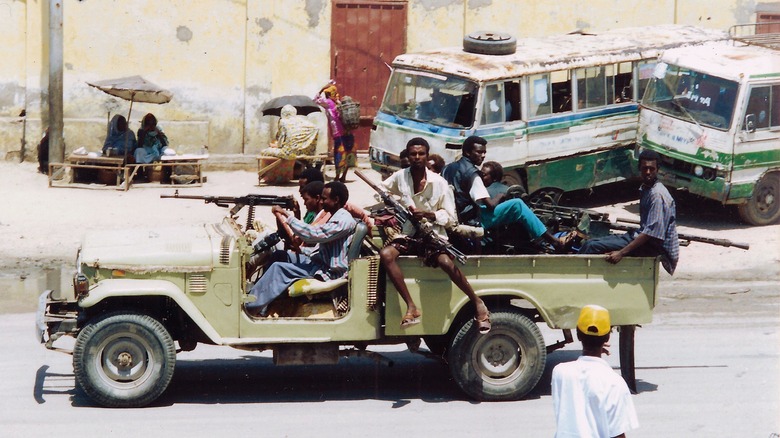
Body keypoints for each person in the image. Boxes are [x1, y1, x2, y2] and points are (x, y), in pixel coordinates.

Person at [379, 137, 491, 332]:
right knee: (386, 255)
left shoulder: (439, 183)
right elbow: (382, 190)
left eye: (421, 154)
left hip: (432, 234)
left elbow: (450, 219)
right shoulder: (400, 177)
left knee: (446, 263)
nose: (416, 158)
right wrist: (393, 206)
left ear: (426, 156)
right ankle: (411, 307)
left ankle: (477, 302)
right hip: (409, 234)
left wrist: (429, 214)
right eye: (413, 154)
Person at [245, 181, 356, 317]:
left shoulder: (343, 221)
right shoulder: (335, 216)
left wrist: (287, 216)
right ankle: (261, 302)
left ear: (336, 200)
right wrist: (303, 251)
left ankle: (249, 308)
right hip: (319, 261)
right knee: (280, 255)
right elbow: (326, 249)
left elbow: (313, 235)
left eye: (324, 198)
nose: (321, 201)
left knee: (278, 268)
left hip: (327, 271)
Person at [442, 136, 563, 253]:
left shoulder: (447, 168)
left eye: (484, 152)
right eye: (479, 152)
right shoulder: (473, 174)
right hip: (472, 221)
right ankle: (553, 241)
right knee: (518, 205)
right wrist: (500, 196)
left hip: (455, 216)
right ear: (467, 152)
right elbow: (491, 205)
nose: (483, 156)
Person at [578, 149, 679, 275]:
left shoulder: (657, 195)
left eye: (651, 169)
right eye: (644, 168)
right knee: (592, 241)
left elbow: (651, 233)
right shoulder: (648, 189)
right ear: (639, 169)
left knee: (592, 246)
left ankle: (578, 277)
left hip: (653, 246)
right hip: (643, 238)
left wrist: (621, 253)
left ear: (657, 169)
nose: (648, 172)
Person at [552, 304, 639, 437]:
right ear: (607, 337)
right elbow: (617, 433)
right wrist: (596, 347)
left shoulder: (560, 373)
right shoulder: (614, 382)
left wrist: (592, 346)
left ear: (578, 335)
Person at [316, 84, 354, 182]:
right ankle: (344, 176)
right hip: (349, 132)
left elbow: (315, 99)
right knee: (348, 155)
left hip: (338, 134)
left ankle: (337, 177)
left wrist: (321, 89)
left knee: (339, 155)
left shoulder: (328, 103)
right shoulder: (339, 103)